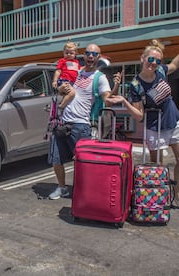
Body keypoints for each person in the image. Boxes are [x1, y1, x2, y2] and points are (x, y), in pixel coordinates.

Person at [106, 35, 179, 209]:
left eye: (157, 60)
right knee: (157, 166)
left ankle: (176, 194)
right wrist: (125, 102)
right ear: (142, 58)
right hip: (154, 127)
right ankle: (159, 197)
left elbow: (176, 64)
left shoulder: (161, 72)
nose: (153, 63)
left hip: (174, 120)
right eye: (150, 59)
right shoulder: (135, 85)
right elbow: (139, 116)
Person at [48, 43, 120, 200]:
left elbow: (107, 101)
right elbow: (59, 90)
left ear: (98, 57)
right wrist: (59, 89)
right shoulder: (76, 71)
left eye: (94, 54)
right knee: (56, 159)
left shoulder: (99, 78)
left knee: (83, 162)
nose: (91, 56)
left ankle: (85, 191)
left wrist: (116, 86)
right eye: (88, 53)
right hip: (61, 121)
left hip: (81, 124)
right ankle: (62, 187)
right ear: (84, 55)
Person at [52, 41, 81, 109]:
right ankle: (61, 106)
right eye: (66, 53)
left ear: (75, 54)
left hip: (73, 83)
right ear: (63, 53)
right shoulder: (62, 61)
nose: (68, 54)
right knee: (72, 93)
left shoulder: (76, 62)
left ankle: (62, 101)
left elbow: (79, 71)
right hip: (64, 81)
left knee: (68, 94)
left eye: (71, 53)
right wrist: (55, 81)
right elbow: (58, 71)